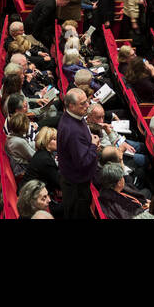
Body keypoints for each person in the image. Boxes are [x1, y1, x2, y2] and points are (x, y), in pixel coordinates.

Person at [56, 88, 98, 219]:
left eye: (87, 101)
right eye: (83, 104)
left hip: (73, 179)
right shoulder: (73, 131)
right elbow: (83, 162)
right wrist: (93, 145)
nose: (87, 106)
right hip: (77, 185)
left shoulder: (74, 116)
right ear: (71, 106)